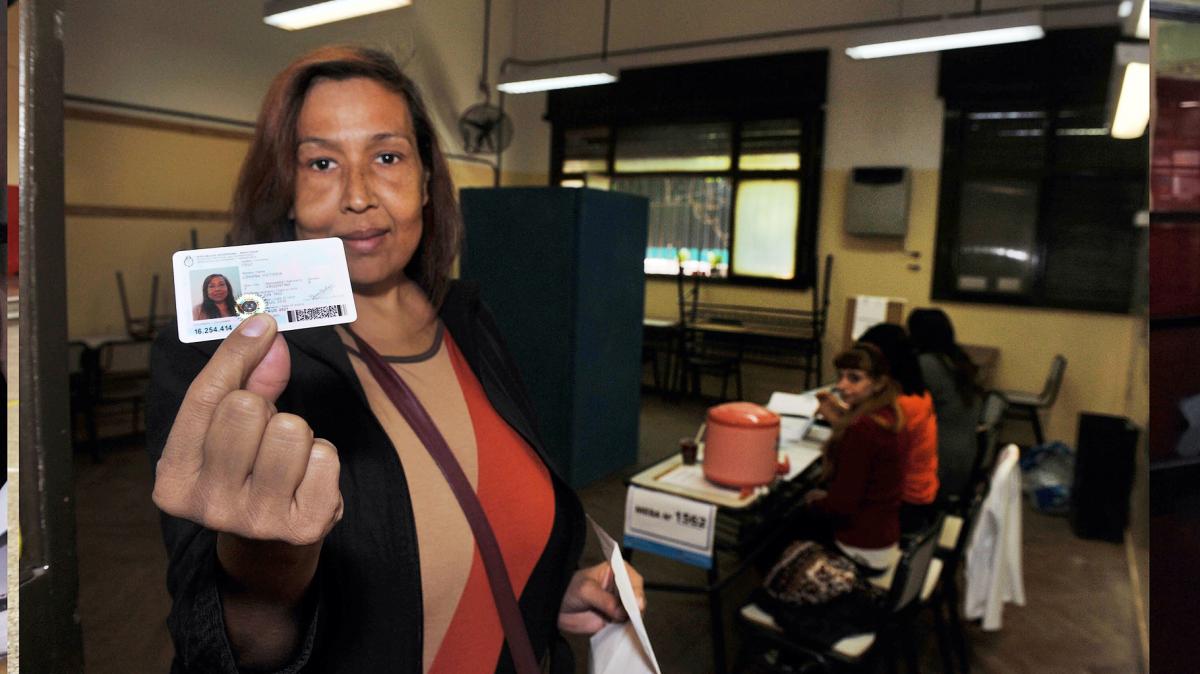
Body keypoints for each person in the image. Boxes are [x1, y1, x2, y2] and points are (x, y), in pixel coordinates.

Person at [147, 45, 643, 674]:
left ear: (427, 180)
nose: (358, 196)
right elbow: (226, 648)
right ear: (284, 189)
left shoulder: (467, 318)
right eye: (321, 162)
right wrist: (261, 569)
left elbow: (478, 522)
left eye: (386, 156)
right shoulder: (228, 362)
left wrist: (540, 591)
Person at [807, 342, 905, 575]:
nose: (841, 386)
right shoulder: (889, 414)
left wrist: (812, 501)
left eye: (854, 378)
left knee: (780, 526)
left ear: (879, 383)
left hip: (861, 546)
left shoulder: (863, 430)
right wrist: (841, 420)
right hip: (884, 535)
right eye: (841, 376)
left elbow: (841, 506)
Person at [856, 323, 939, 534]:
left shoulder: (898, 408)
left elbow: (863, 449)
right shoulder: (919, 394)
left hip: (903, 506)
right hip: (922, 497)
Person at [907, 308, 983, 504]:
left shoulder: (925, 365)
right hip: (963, 462)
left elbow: (900, 410)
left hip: (939, 468)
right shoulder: (957, 360)